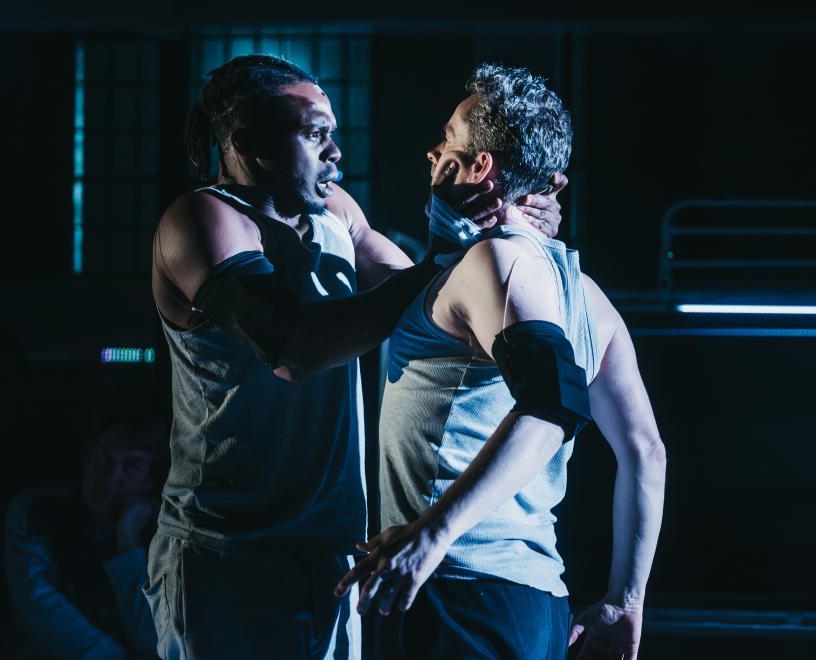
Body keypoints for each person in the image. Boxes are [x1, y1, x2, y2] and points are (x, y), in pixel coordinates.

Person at [147, 54, 567, 660]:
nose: (335, 152)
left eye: (334, 134)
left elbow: (425, 297)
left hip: (332, 544)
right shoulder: (203, 219)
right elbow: (292, 349)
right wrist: (445, 258)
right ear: (247, 143)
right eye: (315, 133)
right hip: (229, 547)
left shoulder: (337, 210)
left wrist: (508, 220)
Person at [334, 63, 667, 660]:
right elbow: (645, 450)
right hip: (530, 598)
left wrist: (431, 536)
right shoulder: (585, 294)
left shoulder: (495, 265)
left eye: (449, 139)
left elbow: (551, 406)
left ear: (478, 166)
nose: (434, 152)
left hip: (455, 587)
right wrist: (626, 600)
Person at [5, 410, 167, 659]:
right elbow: (39, 605)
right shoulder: (37, 511)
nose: (111, 478)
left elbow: (152, 637)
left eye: (131, 467)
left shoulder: (163, 531)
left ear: (148, 480)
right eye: (104, 460)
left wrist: (127, 540)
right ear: (87, 457)